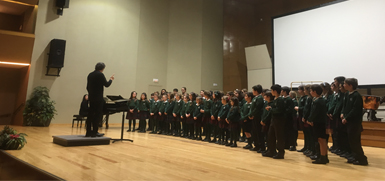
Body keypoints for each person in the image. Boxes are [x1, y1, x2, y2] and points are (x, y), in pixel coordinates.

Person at [342, 78, 368, 165]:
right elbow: (345, 106)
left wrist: (347, 117)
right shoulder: (347, 94)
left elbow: (355, 110)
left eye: (345, 84)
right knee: (350, 141)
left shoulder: (356, 96)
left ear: (350, 85)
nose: (343, 85)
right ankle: (355, 157)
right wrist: (343, 113)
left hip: (354, 123)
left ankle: (362, 159)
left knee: (355, 141)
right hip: (348, 122)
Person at [86, 62, 114, 137]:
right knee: (97, 115)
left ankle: (88, 132)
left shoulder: (90, 75)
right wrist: (111, 80)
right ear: (102, 68)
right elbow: (106, 84)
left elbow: (87, 87)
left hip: (91, 98)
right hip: (98, 98)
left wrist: (91, 94)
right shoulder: (100, 74)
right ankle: (95, 132)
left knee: (90, 115)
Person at [307, 84, 329, 164]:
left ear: (314, 91)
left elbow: (314, 112)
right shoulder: (319, 100)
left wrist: (309, 119)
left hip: (319, 122)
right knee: (321, 140)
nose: (310, 92)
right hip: (320, 122)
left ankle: (323, 157)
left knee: (321, 139)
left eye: (311, 91)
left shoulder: (318, 101)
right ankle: (324, 156)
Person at [263, 84, 286, 159]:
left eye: (272, 90)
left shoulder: (280, 99)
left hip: (279, 120)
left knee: (279, 136)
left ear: (275, 91)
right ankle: (271, 150)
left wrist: (270, 109)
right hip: (274, 120)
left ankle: (280, 152)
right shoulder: (276, 99)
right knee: (271, 135)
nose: (271, 92)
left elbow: (279, 110)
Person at [249, 85, 265, 152]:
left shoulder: (260, 98)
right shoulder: (254, 98)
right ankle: (256, 145)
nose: (252, 92)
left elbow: (257, 108)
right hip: (254, 117)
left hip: (257, 117)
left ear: (256, 91)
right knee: (254, 132)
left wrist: (253, 114)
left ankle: (261, 147)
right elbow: (252, 108)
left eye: (253, 90)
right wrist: (251, 114)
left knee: (259, 132)